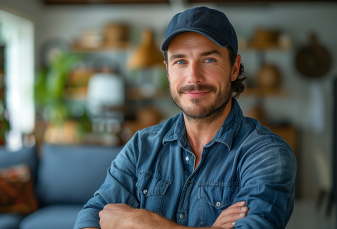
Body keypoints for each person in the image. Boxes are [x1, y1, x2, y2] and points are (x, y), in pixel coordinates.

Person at [74, 6, 296, 229]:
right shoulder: (141, 146)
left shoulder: (268, 154)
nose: (194, 77)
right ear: (168, 71)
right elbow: (92, 215)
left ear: (234, 68)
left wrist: (141, 221)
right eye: (180, 61)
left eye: (208, 60)